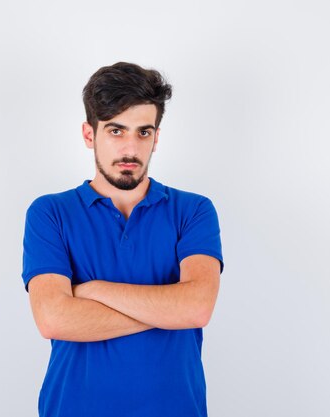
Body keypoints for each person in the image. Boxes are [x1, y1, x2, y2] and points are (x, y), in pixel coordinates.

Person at [21, 62, 224, 417]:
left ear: (156, 138)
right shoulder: (49, 213)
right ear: (89, 135)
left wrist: (92, 290)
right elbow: (53, 319)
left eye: (143, 132)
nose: (131, 148)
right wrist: (169, 310)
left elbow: (197, 308)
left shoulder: (194, 210)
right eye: (116, 131)